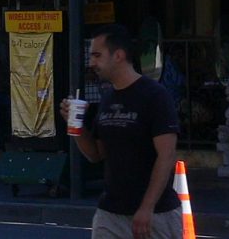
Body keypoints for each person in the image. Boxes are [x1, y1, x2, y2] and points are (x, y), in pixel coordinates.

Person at [62, 26, 182, 239]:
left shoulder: (154, 95)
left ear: (118, 55)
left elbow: (167, 155)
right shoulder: (108, 98)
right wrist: (76, 126)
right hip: (110, 213)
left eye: (97, 55)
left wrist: (147, 208)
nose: (91, 63)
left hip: (156, 214)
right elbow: (95, 154)